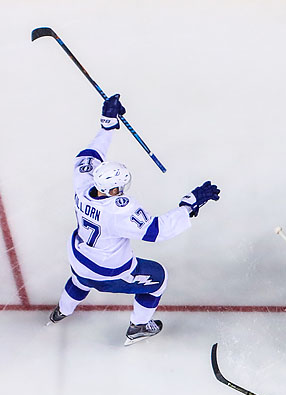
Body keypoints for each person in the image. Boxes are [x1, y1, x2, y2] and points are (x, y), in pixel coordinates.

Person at [47, 94, 220, 344]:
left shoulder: (83, 184)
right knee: (158, 279)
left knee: (79, 279)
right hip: (108, 271)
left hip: (78, 255)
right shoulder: (119, 210)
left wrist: (108, 123)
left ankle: (61, 312)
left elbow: (89, 155)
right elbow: (155, 232)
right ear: (114, 190)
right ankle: (138, 326)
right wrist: (189, 205)